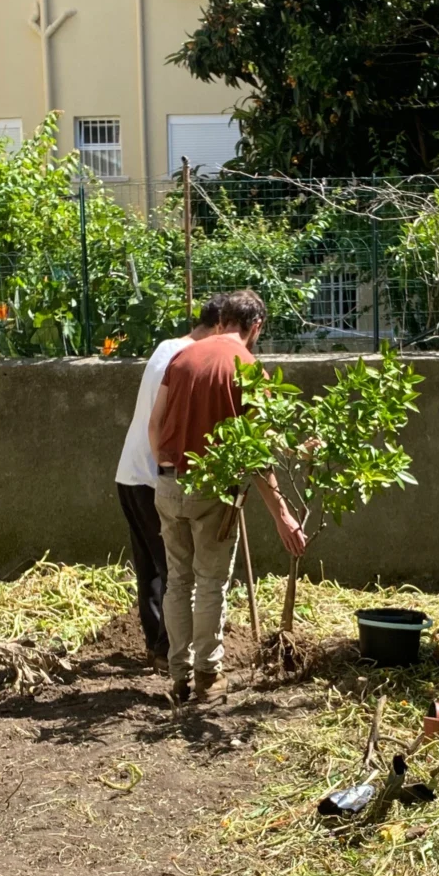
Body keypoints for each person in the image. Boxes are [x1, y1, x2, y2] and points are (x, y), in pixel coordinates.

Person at [148, 289, 306, 705]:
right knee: (210, 582)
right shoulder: (248, 369)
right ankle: (207, 675)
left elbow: (154, 424)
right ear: (256, 326)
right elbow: (259, 453)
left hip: (167, 483)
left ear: (222, 321)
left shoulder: (181, 357)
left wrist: (167, 469)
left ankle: (178, 675)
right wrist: (282, 514)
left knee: (177, 581)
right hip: (212, 490)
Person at [115, 296, 226, 672]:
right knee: (174, 570)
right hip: (153, 477)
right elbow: (166, 421)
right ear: (219, 326)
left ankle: (156, 647)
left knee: (150, 568)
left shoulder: (167, 346)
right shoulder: (188, 358)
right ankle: (167, 650)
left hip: (129, 472)